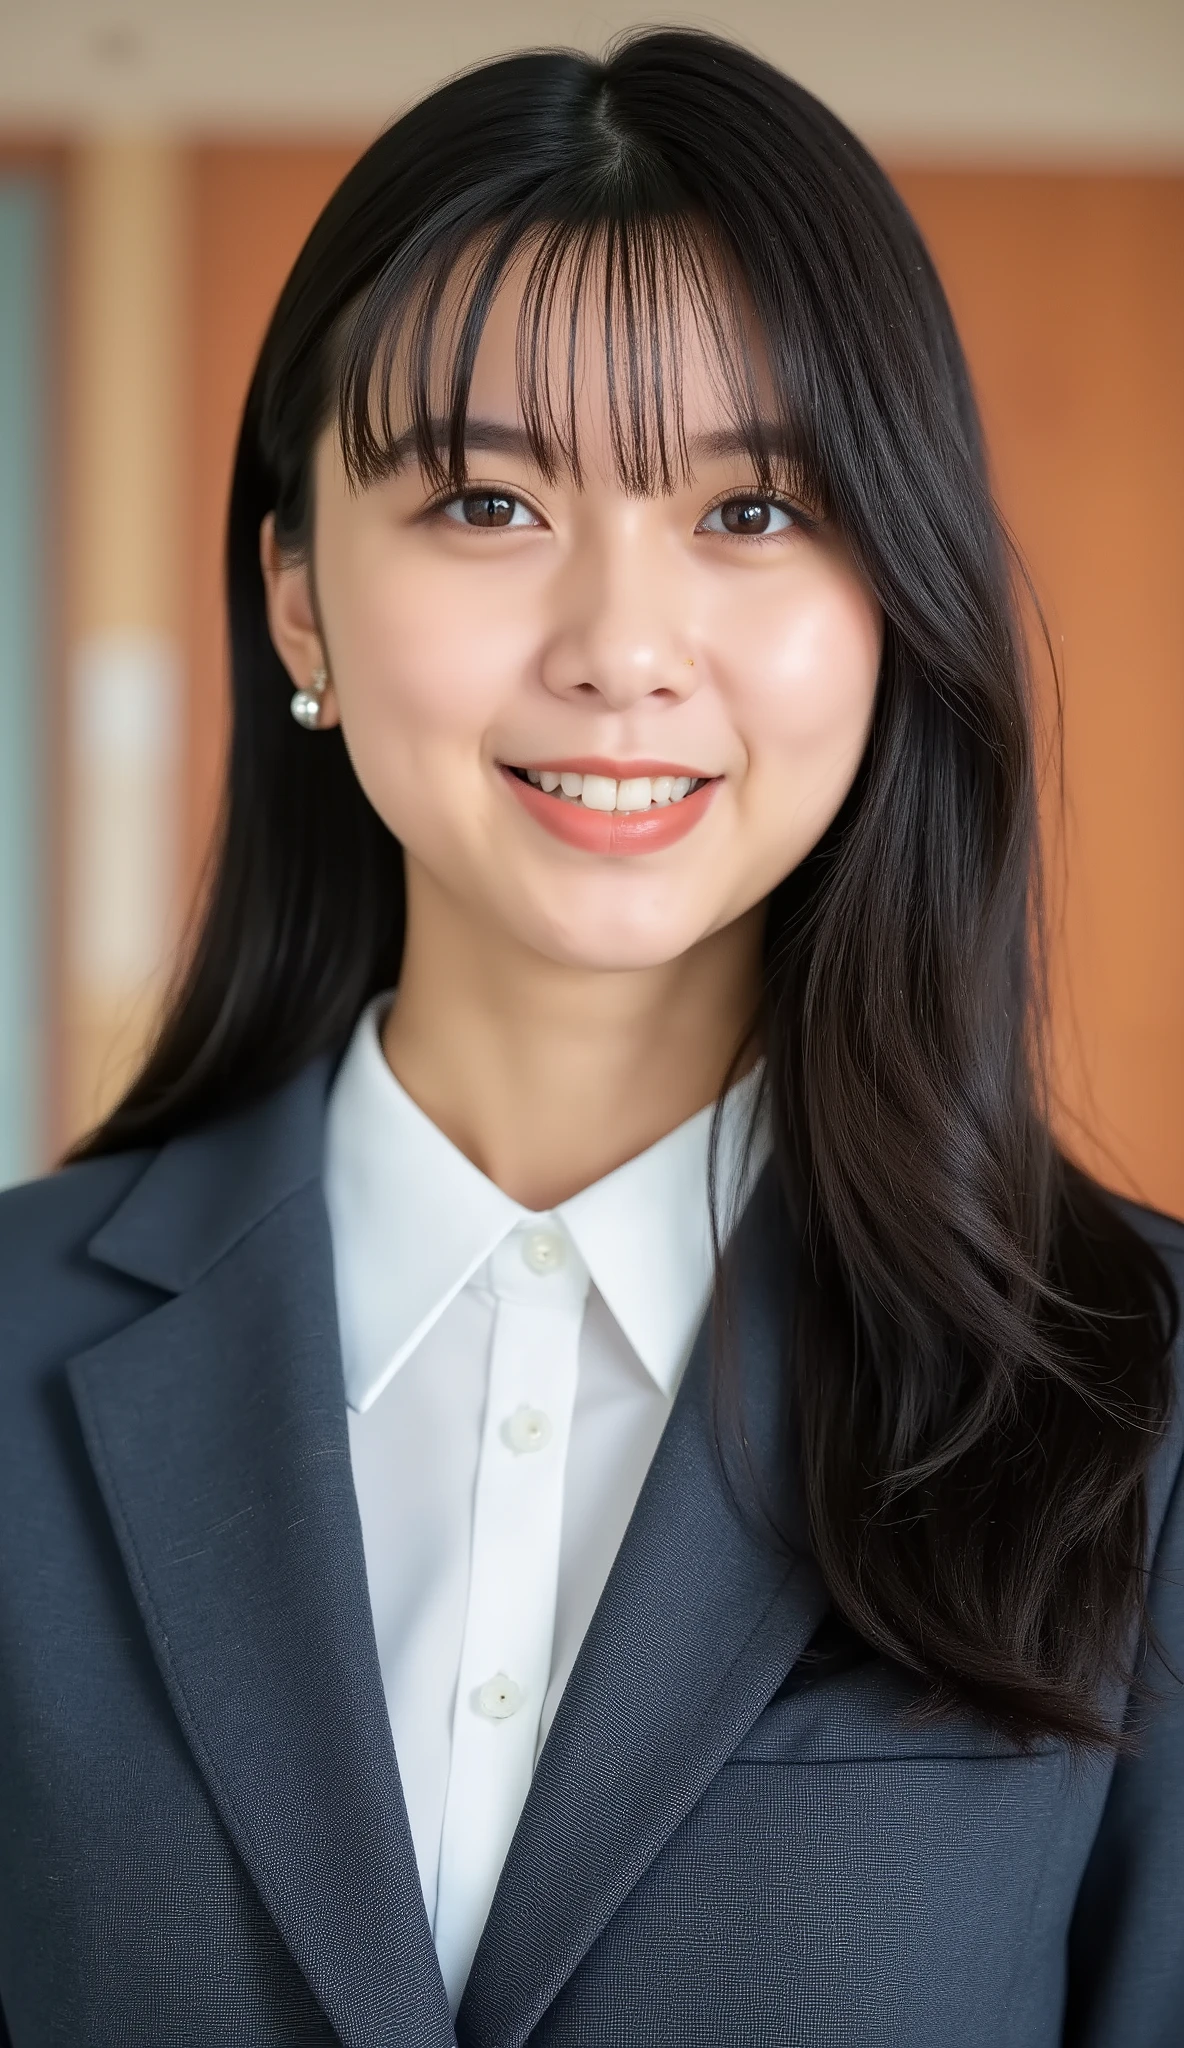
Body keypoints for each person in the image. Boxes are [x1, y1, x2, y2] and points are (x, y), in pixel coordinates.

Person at [0, 28, 1180, 2047]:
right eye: (484, 498)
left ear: (892, 594)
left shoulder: (1134, 1396)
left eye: (751, 509)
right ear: (296, 598)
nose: (620, 646)